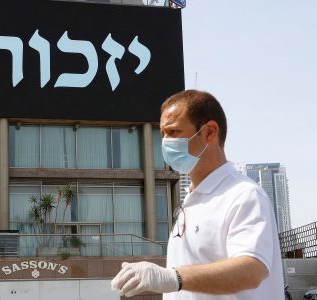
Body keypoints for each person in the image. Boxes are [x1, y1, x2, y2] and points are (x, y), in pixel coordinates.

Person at [111, 90, 283, 299]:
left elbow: (252, 270)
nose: (165, 142)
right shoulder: (191, 200)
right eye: (163, 134)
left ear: (209, 132)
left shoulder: (244, 195)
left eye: (174, 132)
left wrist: (174, 278)